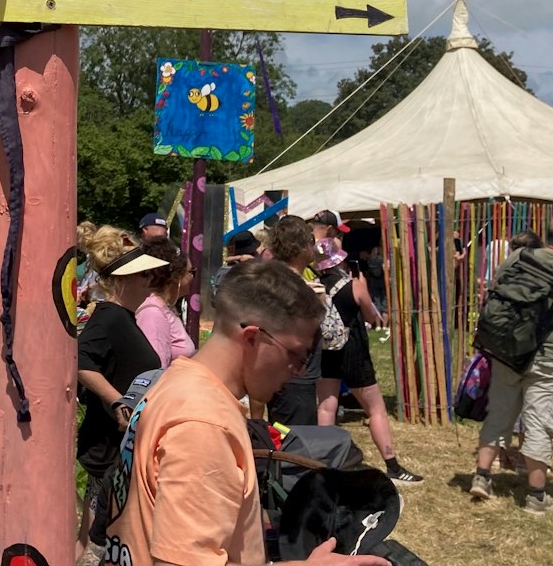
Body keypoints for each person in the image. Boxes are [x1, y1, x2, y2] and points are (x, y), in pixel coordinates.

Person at [105, 259, 388, 566]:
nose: (298, 371)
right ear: (253, 337)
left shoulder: (176, 382)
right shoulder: (205, 424)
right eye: (296, 354)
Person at [471, 215, 553, 514]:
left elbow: (495, 293)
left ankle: (482, 476)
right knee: (540, 423)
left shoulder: (517, 258)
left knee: (499, 414)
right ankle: (537, 496)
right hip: (549, 359)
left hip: (508, 352)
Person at [75, 225, 167, 553]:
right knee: (94, 539)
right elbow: (81, 360)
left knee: (102, 535)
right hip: (109, 442)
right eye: (143, 276)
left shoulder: (124, 318)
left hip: (121, 443)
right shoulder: (110, 317)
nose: (149, 281)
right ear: (125, 279)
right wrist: (118, 403)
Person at [313, 239, 422, 484]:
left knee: (326, 407)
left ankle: (325, 465)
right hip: (354, 351)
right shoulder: (354, 285)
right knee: (375, 409)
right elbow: (373, 317)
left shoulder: (316, 287)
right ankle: (392, 465)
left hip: (327, 350)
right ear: (339, 260)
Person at [265, 216, 324, 427]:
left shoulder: (275, 280)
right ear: (300, 248)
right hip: (296, 378)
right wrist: (319, 306)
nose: (314, 247)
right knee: (295, 447)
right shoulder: (298, 288)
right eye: (311, 242)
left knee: (283, 436)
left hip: (283, 377)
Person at [134, 238, 196, 370]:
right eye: (190, 272)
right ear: (176, 277)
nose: (192, 278)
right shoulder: (153, 313)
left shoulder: (167, 307)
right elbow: (156, 370)